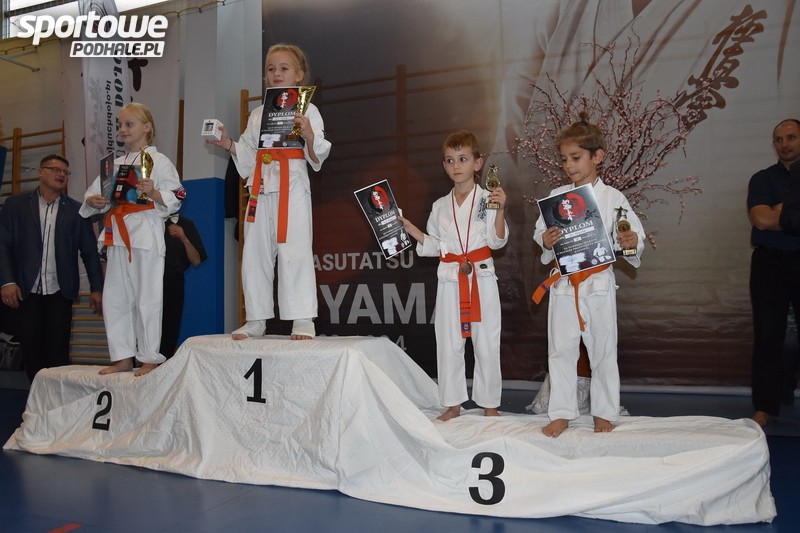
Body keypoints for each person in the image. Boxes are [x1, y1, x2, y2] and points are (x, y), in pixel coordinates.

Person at [208, 43, 331, 340]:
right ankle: (256, 318)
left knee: (295, 252)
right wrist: (227, 144)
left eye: (284, 68)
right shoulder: (257, 114)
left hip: (292, 187)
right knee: (254, 254)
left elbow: (318, 154)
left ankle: (302, 319)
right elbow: (248, 154)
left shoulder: (307, 109)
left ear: (299, 74)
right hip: (260, 188)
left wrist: (308, 134)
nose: (276, 73)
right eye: (270, 69)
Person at [533, 113, 645, 437]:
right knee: (561, 349)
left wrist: (630, 242)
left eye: (576, 157)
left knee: (603, 350)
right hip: (565, 282)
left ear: (597, 156)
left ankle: (604, 411)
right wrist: (546, 240)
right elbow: (540, 233)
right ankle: (562, 412)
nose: (569, 165)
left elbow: (630, 235)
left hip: (597, 282)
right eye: (564, 159)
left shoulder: (613, 198)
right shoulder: (557, 195)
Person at [400, 130, 508, 421]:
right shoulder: (439, 206)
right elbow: (435, 246)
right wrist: (412, 230)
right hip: (450, 278)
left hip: (480, 278)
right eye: (449, 160)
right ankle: (452, 403)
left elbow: (497, 241)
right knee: (448, 342)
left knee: (487, 343)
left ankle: (490, 404)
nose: (456, 166)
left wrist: (500, 210)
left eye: (463, 159)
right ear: (444, 165)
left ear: (478, 163)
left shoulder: (488, 198)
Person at [80, 102, 183, 377]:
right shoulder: (113, 164)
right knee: (115, 298)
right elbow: (90, 196)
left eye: (129, 124)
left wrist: (155, 192)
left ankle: (149, 358)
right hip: (117, 233)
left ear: (146, 127)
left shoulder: (159, 161)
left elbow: (178, 196)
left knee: (147, 297)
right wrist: (93, 200)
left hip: (146, 232)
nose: (123, 129)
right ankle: (122, 357)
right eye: (120, 125)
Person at [0, 154, 104, 382]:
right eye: (55, 169)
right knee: (31, 347)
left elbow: (89, 252)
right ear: (40, 172)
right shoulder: (15, 205)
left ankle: (56, 396)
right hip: (25, 290)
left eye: (65, 172)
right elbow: (3, 244)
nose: (61, 174)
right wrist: (7, 281)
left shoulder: (77, 210)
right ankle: (36, 394)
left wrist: (97, 288)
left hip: (60, 291)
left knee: (58, 349)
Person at [747, 118, 800, 427]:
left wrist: (780, 210)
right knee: (768, 335)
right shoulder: (763, 178)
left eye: (791, 137)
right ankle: (765, 407)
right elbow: (762, 220)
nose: (784, 144)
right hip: (770, 263)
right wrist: (791, 215)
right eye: (779, 139)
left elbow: (772, 217)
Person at [160, 214, 207, 358]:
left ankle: (166, 358)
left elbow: (196, 260)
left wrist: (184, 238)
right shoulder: (150, 220)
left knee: (170, 325)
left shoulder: (186, 224)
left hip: (173, 280)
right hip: (148, 279)